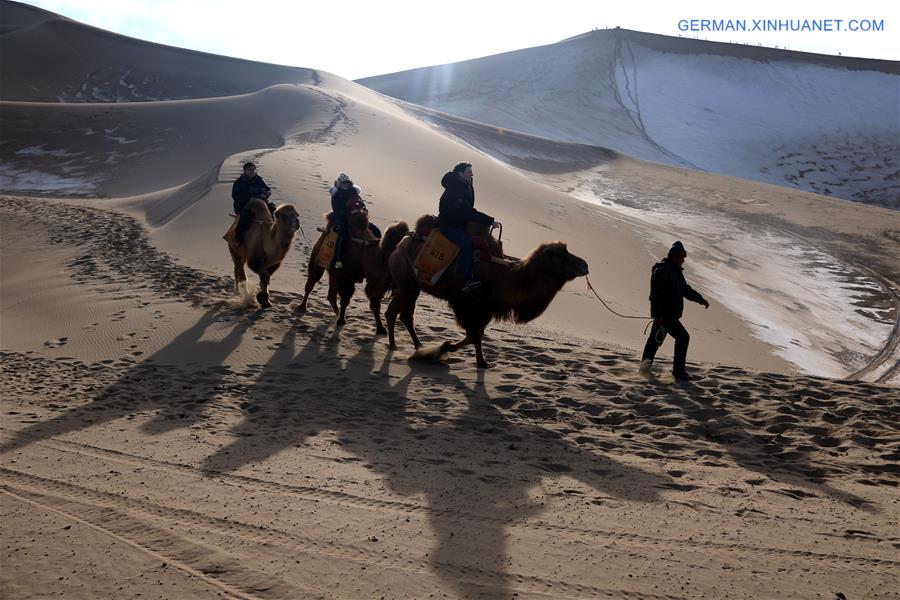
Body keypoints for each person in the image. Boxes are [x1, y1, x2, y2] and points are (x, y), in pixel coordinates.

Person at [639, 241, 710, 381]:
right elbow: (655, 295)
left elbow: (685, 290)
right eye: (682, 257)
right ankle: (677, 372)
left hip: (670, 315)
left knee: (655, 342)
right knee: (681, 338)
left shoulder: (675, 271)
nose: (683, 260)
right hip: (665, 315)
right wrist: (657, 315)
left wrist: (701, 300)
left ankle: (645, 371)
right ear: (674, 256)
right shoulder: (663, 271)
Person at [437, 162, 497, 292]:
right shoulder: (454, 190)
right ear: (460, 174)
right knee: (466, 243)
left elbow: (468, 210)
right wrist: (489, 221)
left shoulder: (466, 186)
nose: (472, 174)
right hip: (448, 226)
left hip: (460, 224)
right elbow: (467, 212)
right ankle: (467, 279)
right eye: (469, 172)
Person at [329, 172, 368, 269]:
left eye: (346, 182)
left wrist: (362, 210)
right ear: (339, 183)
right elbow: (337, 211)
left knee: (374, 230)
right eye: (342, 183)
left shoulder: (353, 192)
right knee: (341, 235)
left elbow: (360, 204)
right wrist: (349, 212)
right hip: (342, 220)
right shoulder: (336, 195)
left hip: (356, 219)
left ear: (349, 183)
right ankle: (337, 260)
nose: (345, 185)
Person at [231, 162, 274, 244]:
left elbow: (268, 189)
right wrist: (250, 198)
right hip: (244, 205)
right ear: (245, 171)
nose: (251, 171)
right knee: (246, 215)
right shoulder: (239, 182)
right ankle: (238, 237)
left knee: (274, 209)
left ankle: (276, 233)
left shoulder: (259, 180)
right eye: (249, 169)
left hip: (261, 204)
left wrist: (265, 194)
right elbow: (235, 196)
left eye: (253, 169)